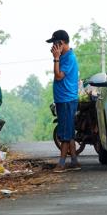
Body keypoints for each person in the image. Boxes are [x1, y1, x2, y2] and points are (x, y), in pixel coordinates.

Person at [46, 30, 81, 173]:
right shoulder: (64, 56)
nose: (53, 46)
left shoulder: (69, 58)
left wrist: (56, 58)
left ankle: (61, 163)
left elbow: (59, 76)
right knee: (68, 130)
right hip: (62, 99)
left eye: (55, 43)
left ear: (61, 43)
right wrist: (57, 57)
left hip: (67, 99)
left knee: (65, 134)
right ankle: (74, 161)